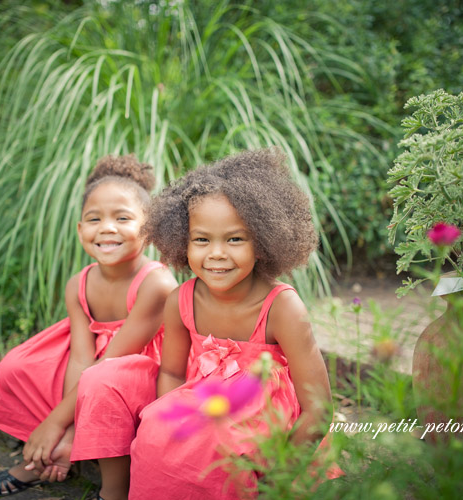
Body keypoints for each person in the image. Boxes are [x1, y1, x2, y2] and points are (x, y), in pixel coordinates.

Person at [128, 148, 335, 499]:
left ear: (264, 242)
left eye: (235, 239)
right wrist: (171, 423)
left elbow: (319, 406)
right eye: (202, 240)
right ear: (183, 241)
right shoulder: (182, 301)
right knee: (153, 434)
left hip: (264, 422)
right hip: (204, 405)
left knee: (221, 445)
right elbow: (173, 374)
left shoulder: (282, 308)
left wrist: (282, 477)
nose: (217, 254)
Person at [0, 155, 177, 497]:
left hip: (141, 372)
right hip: (95, 369)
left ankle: (114, 490)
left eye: (122, 218)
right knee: (20, 366)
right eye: (94, 218)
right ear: (81, 229)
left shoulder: (156, 285)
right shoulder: (78, 283)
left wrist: (57, 424)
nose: (107, 228)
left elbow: (111, 363)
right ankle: (45, 458)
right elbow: (81, 359)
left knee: (102, 382)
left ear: (149, 228)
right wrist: (67, 428)